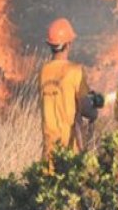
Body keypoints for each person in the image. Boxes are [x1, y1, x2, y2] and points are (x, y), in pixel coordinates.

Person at [39, 17, 96, 167]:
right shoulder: (75, 71)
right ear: (68, 44)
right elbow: (86, 109)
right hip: (69, 151)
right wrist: (94, 108)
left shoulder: (43, 72)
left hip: (49, 149)